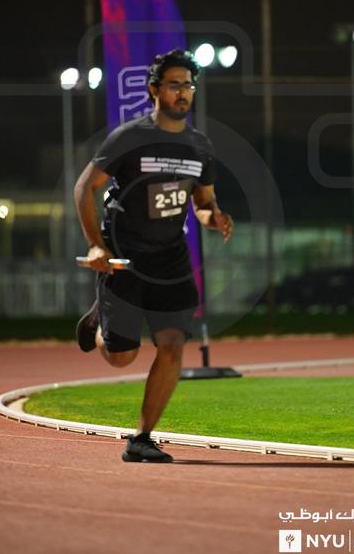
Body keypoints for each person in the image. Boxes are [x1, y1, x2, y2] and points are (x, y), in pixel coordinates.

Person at [73, 49, 234, 463]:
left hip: (171, 258)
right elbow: (84, 188)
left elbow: (203, 203)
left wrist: (214, 218)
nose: (183, 92)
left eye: (188, 85)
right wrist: (96, 244)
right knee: (121, 357)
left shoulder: (199, 146)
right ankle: (99, 323)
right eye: (174, 84)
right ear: (154, 90)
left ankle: (141, 438)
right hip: (125, 255)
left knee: (173, 344)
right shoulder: (129, 138)